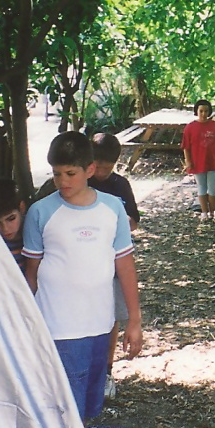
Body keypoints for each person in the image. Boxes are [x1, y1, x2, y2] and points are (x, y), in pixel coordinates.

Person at [22, 131, 143, 422]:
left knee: (90, 403)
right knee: (64, 407)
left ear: (90, 170)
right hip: (59, 328)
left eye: (70, 173)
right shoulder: (41, 212)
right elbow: (31, 274)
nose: (62, 181)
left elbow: (124, 264)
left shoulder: (113, 208)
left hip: (100, 325)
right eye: (56, 173)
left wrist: (135, 321)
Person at [90, 132, 142, 400]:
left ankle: (106, 371)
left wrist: (115, 223)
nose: (100, 172)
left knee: (111, 318)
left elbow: (134, 219)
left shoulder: (120, 185)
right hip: (83, 263)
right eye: (97, 166)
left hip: (113, 262)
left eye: (106, 167)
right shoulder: (78, 181)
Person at [181, 99, 215, 221]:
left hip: (213, 161)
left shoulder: (214, 125)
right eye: (201, 111)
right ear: (196, 111)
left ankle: (212, 211)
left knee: (213, 188)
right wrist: (188, 161)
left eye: (206, 111)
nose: (203, 114)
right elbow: (186, 147)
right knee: (202, 187)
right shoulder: (190, 127)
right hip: (198, 162)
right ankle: (204, 212)